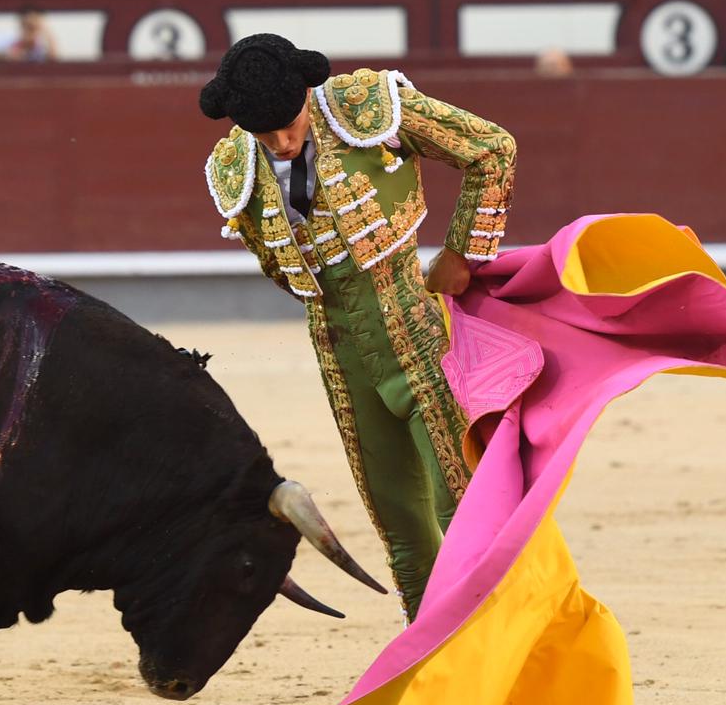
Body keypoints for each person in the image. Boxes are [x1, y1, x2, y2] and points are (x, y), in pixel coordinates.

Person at [198, 35, 515, 617]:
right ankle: (430, 663)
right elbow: (277, 266)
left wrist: (462, 252)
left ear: (307, 92)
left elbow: (491, 149)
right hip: (342, 359)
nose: (280, 143)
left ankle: (500, 654)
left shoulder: (366, 106)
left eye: (287, 126)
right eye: (262, 135)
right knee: (401, 534)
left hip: (424, 338)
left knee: (464, 508)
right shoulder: (233, 167)